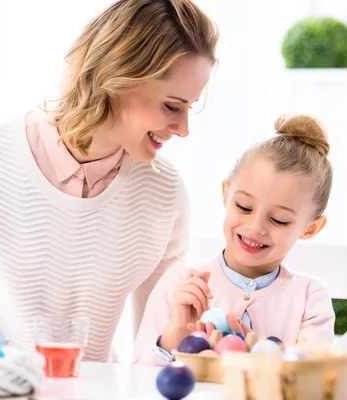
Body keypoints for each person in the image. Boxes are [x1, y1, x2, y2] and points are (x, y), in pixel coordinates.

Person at [0, 0, 218, 362]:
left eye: (189, 108)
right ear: (118, 78)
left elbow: (152, 358)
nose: (184, 130)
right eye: (172, 106)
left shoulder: (166, 194)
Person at [133, 114, 336, 365]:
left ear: (311, 228)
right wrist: (174, 336)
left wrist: (254, 357)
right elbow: (137, 380)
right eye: (244, 207)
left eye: (279, 220)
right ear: (226, 194)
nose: (255, 227)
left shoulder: (309, 299)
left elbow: (310, 381)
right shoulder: (181, 284)